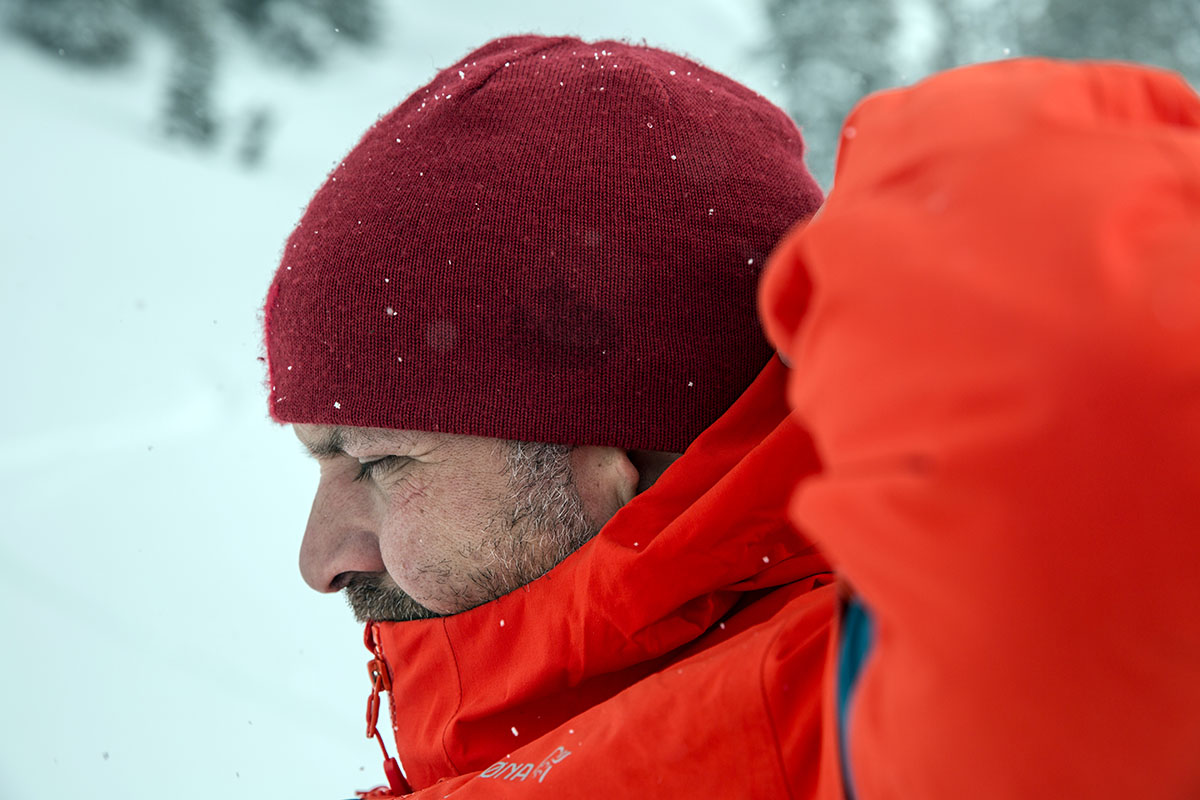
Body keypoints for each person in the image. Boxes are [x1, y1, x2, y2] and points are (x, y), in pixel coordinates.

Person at [263, 32, 1200, 799]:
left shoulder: (878, 729)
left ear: (616, 451)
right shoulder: (593, 738)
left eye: (380, 461)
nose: (320, 557)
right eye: (321, 462)